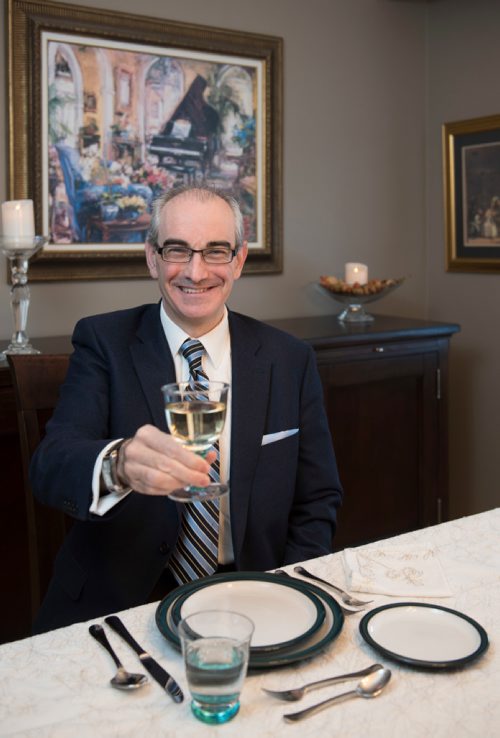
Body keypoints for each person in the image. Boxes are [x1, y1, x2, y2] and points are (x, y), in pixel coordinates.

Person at [30, 185, 343, 633]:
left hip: (252, 598)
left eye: (216, 252)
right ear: (152, 258)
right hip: (118, 608)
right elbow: (51, 464)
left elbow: (318, 499)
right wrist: (118, 466)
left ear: (238, 259)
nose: (196, 272)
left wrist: (286, 591)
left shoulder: (290, 359)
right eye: (177, 250)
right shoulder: (103, 342)